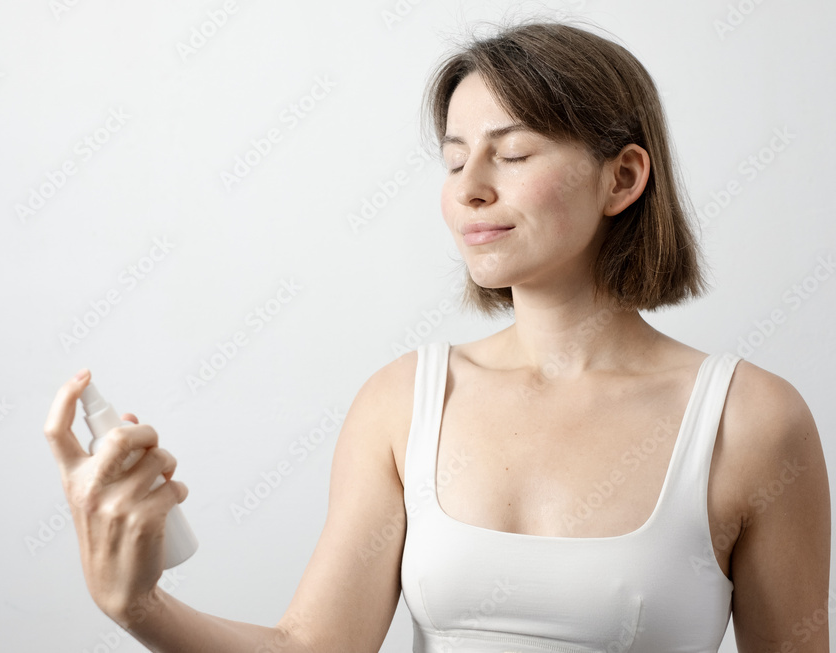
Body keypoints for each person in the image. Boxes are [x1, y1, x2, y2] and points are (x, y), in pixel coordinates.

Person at [43, 19, 831, 653]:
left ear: (622, 178)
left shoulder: (752, 421)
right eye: (454, 162)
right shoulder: (404, 405)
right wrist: (138, 604)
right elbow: (312, 647)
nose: (472, 189)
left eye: (512, 152)